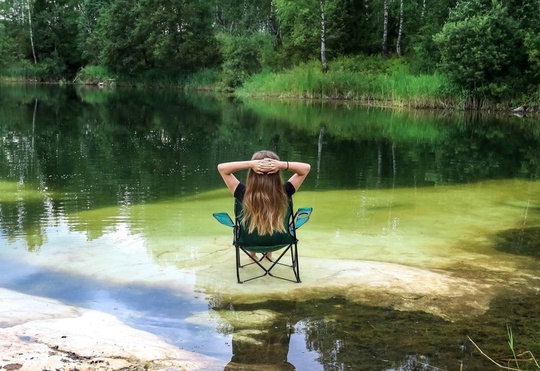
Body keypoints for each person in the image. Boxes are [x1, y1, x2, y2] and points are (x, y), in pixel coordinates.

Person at [217, 150, 311, 259]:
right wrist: (281, 165)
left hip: (249, 242)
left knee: (253, 220)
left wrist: (250, 164)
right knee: (272, 218)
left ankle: (252, 254)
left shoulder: (242, 193)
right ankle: (269, 254)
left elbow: (222, 168)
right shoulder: (285, 192)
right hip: (278, 242)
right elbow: (306, 168)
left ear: (252, 173)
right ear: (277, 173)